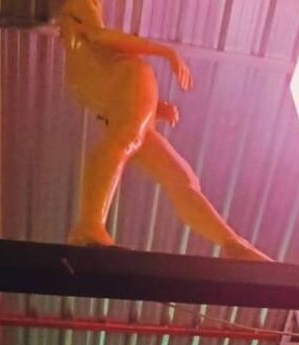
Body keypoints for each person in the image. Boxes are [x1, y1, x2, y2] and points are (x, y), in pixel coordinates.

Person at [55, 0, 271, 261]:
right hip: (126, 80)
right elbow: (99, 37)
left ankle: (232, 244)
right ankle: (90, 225)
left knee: (179, 176)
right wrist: (165, 51)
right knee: (125, 141)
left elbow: (96, 52)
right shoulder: (82, 4)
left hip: (120, 90)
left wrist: (153, 106)